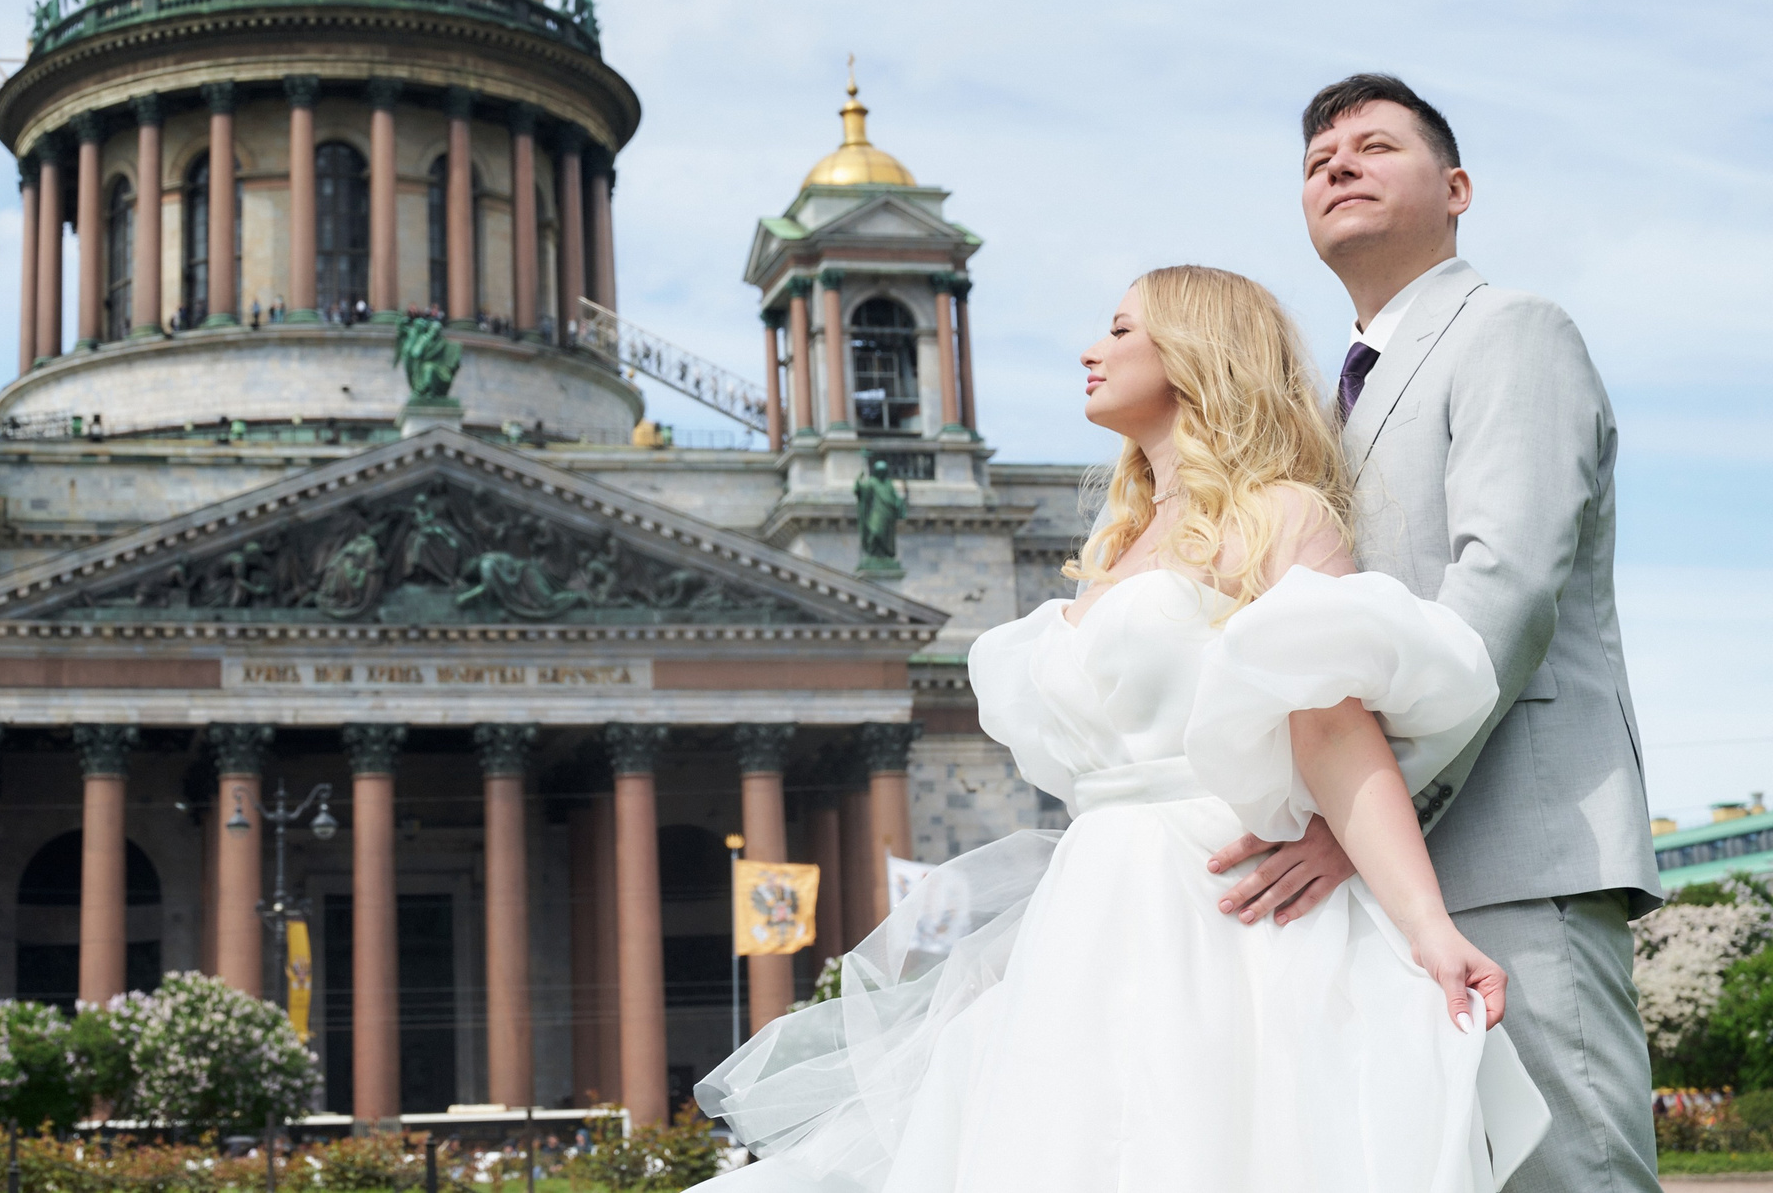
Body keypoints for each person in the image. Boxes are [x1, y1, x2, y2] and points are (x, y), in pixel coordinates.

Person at [697, 265, 1549, 1191]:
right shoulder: (1118, 541)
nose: (1089, 351)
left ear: (1193, 353)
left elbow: (1336, 733)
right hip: (1088, 910)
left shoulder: (1279, 513)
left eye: (1119, 329)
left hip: (1217, 905)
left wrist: (1430, 929)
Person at [1203, 74, 1661, 1191]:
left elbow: (1505, 584)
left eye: (1373, 146)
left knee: (1569, 1171)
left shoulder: (1511, 329)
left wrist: (1369, 814)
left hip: (1515, 845)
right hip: (1380, 878)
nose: (1337, 167)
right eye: (1318, 162)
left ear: (1454, 190)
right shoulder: (1326, 407)